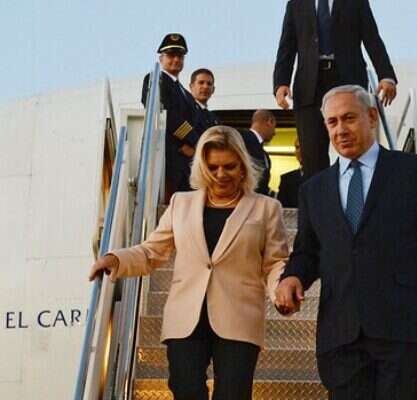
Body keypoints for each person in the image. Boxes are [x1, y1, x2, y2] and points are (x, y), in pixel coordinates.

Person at [275, 85, 417, 399]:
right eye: (332, 122)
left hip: (402, 328)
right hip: (341, 333)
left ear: (371, 117)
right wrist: (293, 277)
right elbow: (308, 251)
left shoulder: (414, 171)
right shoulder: (314, 189)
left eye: (349, 118)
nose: (341, 130)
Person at [89, 126, 289, 400]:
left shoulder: (267, 208)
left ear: (243, 166)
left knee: (233, 395)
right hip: (186, 318)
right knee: (185, 390)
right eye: (213, 167)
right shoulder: (180, 203)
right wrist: (116, 259)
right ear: (202, 168)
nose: (221, 174)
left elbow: (275, 262)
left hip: (239, 316)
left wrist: (281, 290)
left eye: (229, 166)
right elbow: (151, 251)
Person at [273, 0, 398, 179]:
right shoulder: (296, 4)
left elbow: (373, 39)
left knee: (355, 143)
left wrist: (386, 76)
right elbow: (287, 46)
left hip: (348, 82)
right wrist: (281, 83)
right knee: (312, 155)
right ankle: (320, 197)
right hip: (309, 87)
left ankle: (360, 193)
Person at [141, 33, 201, 199]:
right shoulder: (155, 80)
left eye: (180, 56)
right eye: (171, 55)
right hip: (168, 158)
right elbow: (166, 115)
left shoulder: (186, 93)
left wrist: (195, 147)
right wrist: (194, 141)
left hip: (185, 164)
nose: (176, 59)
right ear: (161, 58)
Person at [239, 110, 277, 195]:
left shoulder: (265, 155)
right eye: (274, 127)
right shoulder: (240, 139)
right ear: (270, 122)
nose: (274, 133)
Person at [189, 68, 219, 141]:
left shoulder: (214, 118)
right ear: (191, 86)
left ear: (213, 89)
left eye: (209, 84)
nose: (205, 87)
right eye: (201, 82)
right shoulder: (185, 111)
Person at [277, 138, 305, 208]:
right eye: (297, 147)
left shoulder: (322, 177)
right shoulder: (286, 180)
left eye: (303, 147)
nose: (300, 151)